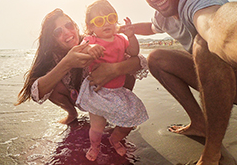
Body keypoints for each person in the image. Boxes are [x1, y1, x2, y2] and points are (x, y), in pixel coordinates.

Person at [120, 0, 237, 165]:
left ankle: (211, 157)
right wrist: (125, 30)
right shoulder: (164, 14)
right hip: (222, 83)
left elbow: (213, 22)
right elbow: (151, 26)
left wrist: (225, 35)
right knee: (156, 58)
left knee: (203, 43)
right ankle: (199, 123)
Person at [16, 8, 148, 125]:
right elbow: (36, 92)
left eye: (69, 26)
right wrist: (66, 63)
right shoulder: (52, 56)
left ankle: (122, 112)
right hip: (77, 97)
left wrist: (113, 70)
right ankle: (72, 113)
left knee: (126, 66)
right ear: (53, 40)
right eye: (58, 32)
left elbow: (141, 60)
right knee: (51, 81)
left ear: (76, 27)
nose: (67, 33)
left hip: (108, 93)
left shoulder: (93, 40)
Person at [76, 0, 148, 161]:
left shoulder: (121, 39)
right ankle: (94, 146)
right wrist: (90, 48)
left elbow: (134, 52)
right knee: (97, 126)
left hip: (117, 91)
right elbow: (82, 49)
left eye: (111, 17)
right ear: (91, 27)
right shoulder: (92, 40)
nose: (106, 23)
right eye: (99, 21)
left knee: (130, 120)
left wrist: (131, 36)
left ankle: (114, 139)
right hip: (98, 92)